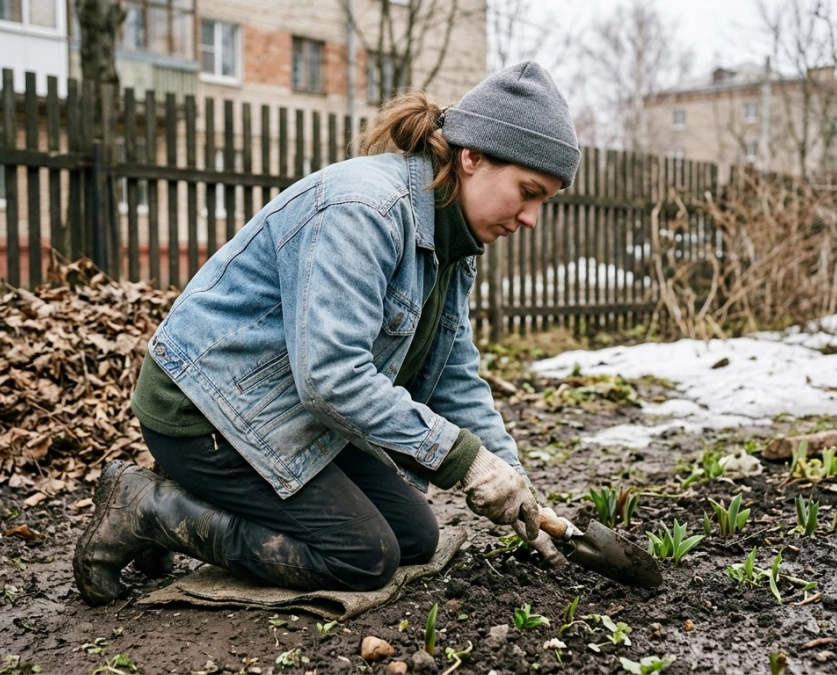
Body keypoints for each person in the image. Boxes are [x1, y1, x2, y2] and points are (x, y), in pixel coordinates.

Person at [73, 61, 580, 605]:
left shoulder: (452, 241)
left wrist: (510, 474)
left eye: (543, 201)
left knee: (414, 536)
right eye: (527, 192)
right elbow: (332, 377)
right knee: (361, 557)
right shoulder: (364, 210)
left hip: (284, 409)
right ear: (472, 156)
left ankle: (193, 501)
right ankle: (152, 510)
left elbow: (454, 374)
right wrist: (463, 457)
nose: (530, 219)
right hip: (204, 410)